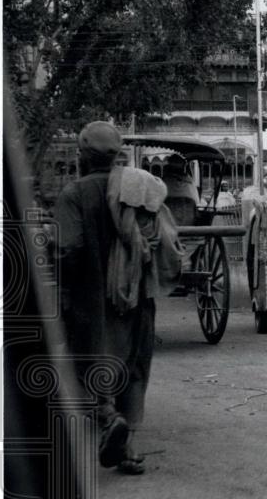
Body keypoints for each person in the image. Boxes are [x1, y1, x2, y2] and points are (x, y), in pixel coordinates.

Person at [55, 122, 177, 475]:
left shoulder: (74, 194)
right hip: (138, 295)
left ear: (82, 155)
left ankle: (107, 418)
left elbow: (68, 248)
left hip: (89, 298)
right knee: (134, 367)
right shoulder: (139, 188)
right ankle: (129, 449)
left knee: (87, 361)